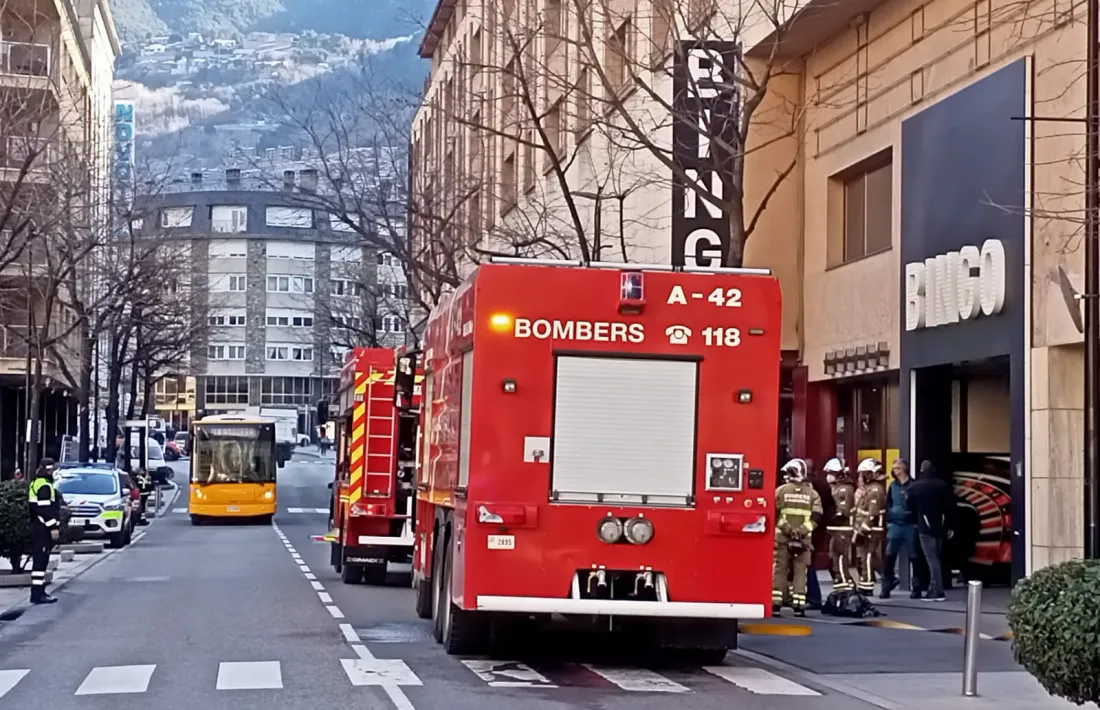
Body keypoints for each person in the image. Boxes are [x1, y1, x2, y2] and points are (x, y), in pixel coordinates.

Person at [772, 458, 823, 617]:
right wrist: (801, 531)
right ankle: (799, 605)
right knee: (801, 571)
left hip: (782, 539)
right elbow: (816, 518)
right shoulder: (813, 494)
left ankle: (776, 604)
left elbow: (775, 513)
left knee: (780, 570)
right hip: (804, 541)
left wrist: (788, 529)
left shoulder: (780, 491)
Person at [906, 460, 954, 601]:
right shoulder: (942, 485)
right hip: (941, 524)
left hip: (924, 525)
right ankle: (937, 588)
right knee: (936, 557)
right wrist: (950, 525)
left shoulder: (916, 487)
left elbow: (909, 505)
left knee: (931, 558)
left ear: (921, 470)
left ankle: (936, 590)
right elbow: (951, 506)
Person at [881, 459, 920, 599]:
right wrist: (889, 520)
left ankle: (916, 587)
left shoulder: (914, 485)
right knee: (889, 556)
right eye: (894, 468)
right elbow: (888, 504)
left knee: (914, 557)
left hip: (910, 525)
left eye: (897, 468)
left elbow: (918, 505)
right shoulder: (892, 486)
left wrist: (915, 521)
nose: (894, 471)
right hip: (895, 525)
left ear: (904, 469)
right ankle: (886, 588)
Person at [852, 458, 887, 596]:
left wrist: (862, 532)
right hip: (865, 528)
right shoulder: (869, 489)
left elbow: (873, 515)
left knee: (867, 557)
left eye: (863, 474)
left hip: (871, 530)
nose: (861, 477)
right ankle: (882, 578)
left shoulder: (876, 490)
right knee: (864, 557)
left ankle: (866, 585)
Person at [27, 459, 60, 604]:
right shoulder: (44, 486)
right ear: (49, 470)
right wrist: (53, 527)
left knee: (40, 561)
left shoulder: (37, 482)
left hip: (38, 526)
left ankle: (38, 591)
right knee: (40, 561)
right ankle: (37, 593)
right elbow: (44, 509)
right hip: (42, 528)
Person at [824, 457, 857, 594]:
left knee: (841, 558)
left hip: (843, 529)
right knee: (834, 558)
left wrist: (828, 517)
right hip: (836, 530)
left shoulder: (845, 489)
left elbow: (843, 512)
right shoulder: (836, 488)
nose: (828, 476)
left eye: (831, 473)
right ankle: (845, 584)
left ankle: (845, 585)